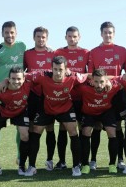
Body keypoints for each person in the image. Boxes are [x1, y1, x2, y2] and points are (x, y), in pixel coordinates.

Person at [24, 56, 88, 177]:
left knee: (73, 131)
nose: (58, 72)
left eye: (61, 69)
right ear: (51, 68)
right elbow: (23, 75)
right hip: (47, 109)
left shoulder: (73, 76)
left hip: (66, 108)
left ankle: (75, 166)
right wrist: (4, 81)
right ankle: (32, 166)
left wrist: (106, 80)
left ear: (66, 69)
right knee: (36, 130)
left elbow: (90, 76)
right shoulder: (42, 76)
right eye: (55, 69)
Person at [88, 21, 126, 170]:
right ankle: (92, 160)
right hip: (98, 92)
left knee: (117, 127)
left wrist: (112, 81)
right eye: (105, 32)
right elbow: (90, 74)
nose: (108, 35)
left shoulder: (122, 50)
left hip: (117, 94)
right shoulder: (93, 52)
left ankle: (120, 159)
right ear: (101, 34)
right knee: (97, 125)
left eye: (110, 33)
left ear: (114, 34)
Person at [0, 21, 26, 173]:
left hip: (18, 97)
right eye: (7, 32)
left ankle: (21, 157)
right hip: (1, 98)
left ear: (16, 33)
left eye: (12, 32)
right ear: (2, 33)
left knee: (22, 131)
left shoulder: (22, 47)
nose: (10, 35)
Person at [54, 26, 89, 169]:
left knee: (81, 127)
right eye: (69, 36)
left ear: (79, 37)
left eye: (75, 36)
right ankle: (62, 161)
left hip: (81, 96)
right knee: (63, 127)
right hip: (65, 96)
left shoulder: (86, 53)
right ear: (65, 37)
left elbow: (89, 73)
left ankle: (80, 160)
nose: (72, 39)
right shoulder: (59, 52)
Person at [0, 67, 30, 176]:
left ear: (24, 79)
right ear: (8, 79)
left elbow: (42, 74)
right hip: (1, 110)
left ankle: (22, 166)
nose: (16, 81)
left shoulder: (29, 84)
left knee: (24, 135)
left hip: (20, 111)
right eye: (13, 79)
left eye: (19, 79)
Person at [23, 26, 56, 171]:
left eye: (43, 37)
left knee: (49, 127)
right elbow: (21, 73)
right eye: (38, 37)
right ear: (33, 38)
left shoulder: (53, 53)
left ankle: (49, 160)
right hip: (32, 95)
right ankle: (31, 161)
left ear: (47, 38)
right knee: (32, 128)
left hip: (46, 95)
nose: (40, 39)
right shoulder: (27, 54)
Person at [79, 69, 120, 174]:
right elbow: (76, 77)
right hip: (89, 112)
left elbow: (124, 78)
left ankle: (112, 164)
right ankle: (85, 164)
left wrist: (109, 81)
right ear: (92, 80)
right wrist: (87, 75)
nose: (99, 85)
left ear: (106, 80)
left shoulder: (113, 86)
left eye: (102, 81)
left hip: (106, 112)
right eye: (96, 82)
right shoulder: (84, 88)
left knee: (112, 132)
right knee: (86, 131)